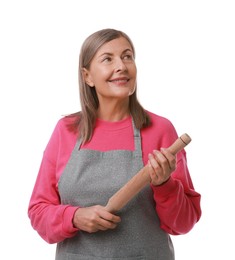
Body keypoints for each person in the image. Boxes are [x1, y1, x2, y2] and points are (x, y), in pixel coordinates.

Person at [28, 28, 201, 260]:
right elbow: (39, 211)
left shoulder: (160, 130)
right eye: (108, 59)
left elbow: (184, 223)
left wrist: (165, 185)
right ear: (87, 76)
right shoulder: (66, 131)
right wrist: (74, 217)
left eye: (127, 56)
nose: (121, 65)